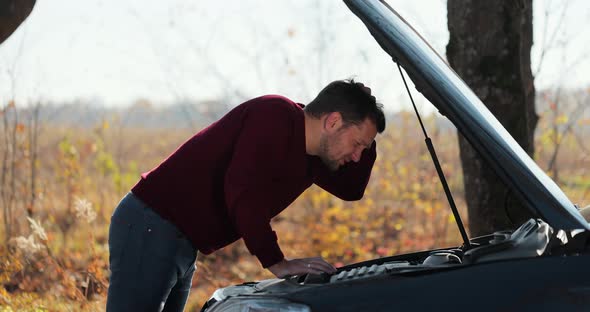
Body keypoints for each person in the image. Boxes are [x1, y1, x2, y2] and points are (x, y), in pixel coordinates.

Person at [106, 78, 386, 311]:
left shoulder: (312, 159)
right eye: (357, 143)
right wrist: (276, 262)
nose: (357, 155)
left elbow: (351, 189)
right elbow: (242, 191)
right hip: (151, 224)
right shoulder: (274, 115)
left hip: (178, 239)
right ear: (333, 122)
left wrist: (367, 126)